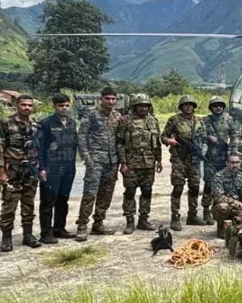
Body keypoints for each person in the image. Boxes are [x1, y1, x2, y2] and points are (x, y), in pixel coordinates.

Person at [0, 94, 41, 251]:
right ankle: (6, 238)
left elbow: (38, 147)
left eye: (29, 105)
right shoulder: (5, 123)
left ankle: (28, 235)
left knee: (29, 204)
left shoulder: (35, 125)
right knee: (9, 205)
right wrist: (0, 172)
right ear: (16, 106)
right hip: (12, 169)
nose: (27, 108)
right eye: (24, 105)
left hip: (30, 170)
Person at [75, 87, 121, 241]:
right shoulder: (91, 113)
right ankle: (82, 226)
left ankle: (98, 223)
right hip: (95, 160)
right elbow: (82, 135)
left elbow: (120, 139)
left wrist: (121, 160)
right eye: (107, 98)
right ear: (101, 99)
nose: (110, 101)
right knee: (90, 194)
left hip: (112, 161)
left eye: (113, 99)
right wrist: (86, 157)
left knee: (106, 194)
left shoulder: (117, 115)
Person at [116, 94, 162, 234]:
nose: (143, 108)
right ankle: (130, 221)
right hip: (131, 163)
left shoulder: (153, 121)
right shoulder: (125, 121)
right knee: (130, 192)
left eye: (146, 106)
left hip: (148, 163)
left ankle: (143, 219)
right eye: (140, 106)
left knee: (147, 191)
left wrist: (159, 160)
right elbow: (120, 143)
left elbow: (157, 143)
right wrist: (123, 163)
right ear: (134, 107)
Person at [160, 95, 206, 230]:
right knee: (178, 188)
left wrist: (202, 149)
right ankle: (175, 216)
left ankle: (192, 215)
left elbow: (203, 138)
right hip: (179, 159)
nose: (188, 107)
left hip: (194, 159)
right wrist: (170, 141)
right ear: (181, 106)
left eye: (191, 104)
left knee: (195, 188)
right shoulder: (174, 119)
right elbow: (163, 136)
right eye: (185, 104)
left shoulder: (199, 121)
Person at [37, 93, 77, 243]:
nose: (64, 108)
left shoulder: (72, 123)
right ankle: (46, 233)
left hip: (68, 166)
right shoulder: (45, 123)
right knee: (48, 200)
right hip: (51, 167)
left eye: (67, 105)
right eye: (61, 106)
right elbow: (40, 148)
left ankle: (59, 228)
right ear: (54, 106)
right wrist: (41, 167)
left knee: (63, 199)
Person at [201, 96, 238, 225]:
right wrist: (208, 137)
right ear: (211, 108)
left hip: (223, 157)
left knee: (223, 184)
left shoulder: (228, 119)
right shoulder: (205, 120)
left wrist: (231, 152)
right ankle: (206, 210)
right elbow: (198, 135)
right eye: (215, 105)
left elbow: (234, 136)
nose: (218, 107)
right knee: (209, 184)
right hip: (210, 158)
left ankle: (218, 209)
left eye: (220, 105)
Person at [212, 151, 242, 237]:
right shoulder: (219, 176)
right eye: (232, 162)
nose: (235, 165)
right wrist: (239, 204)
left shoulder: (241, 177)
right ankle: (221, 228)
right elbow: (218, 197)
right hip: (222, 208)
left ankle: (233, 225)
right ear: (227, 163)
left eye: (237, 162)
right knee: (223, 207)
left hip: (236, 208)